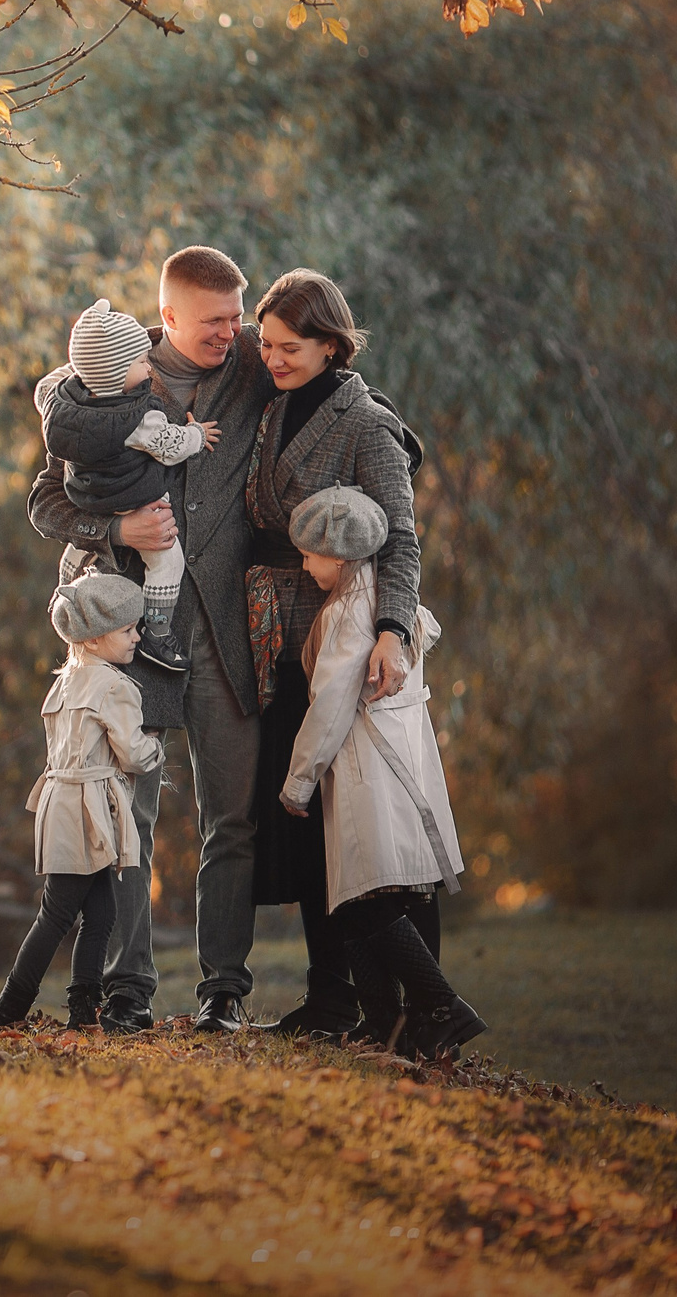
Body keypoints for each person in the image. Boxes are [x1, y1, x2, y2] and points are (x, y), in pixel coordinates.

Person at [29, 247, 276, 1034]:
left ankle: (224, 992)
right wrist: (116, 525)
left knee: (229, 815)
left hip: (225, 630)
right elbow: (44, 501)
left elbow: (331, 382)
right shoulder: (102, 381)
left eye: (237, 317)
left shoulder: (251, 362)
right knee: (126, 815)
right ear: (166, 316)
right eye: (214, 322)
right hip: (130, 636)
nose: (231, 334)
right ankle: (126, 989)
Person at [239, 269, 424, 1038]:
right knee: (303, 820)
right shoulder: (275, 406)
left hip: (345, 645)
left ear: (330, 345)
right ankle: (330, 994)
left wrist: (394, 630)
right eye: (265, 343)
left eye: (288, 347)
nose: (271, 357)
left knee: (357, 824)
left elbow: (404, 537)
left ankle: (403, 1005)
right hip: (281, 640)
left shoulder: (363, 422)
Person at [276, 486, 485, 1059]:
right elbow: (428, 629)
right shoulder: (393, 609)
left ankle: (440, 1006)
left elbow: (330, 707)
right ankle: (386, 1022)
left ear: (339, 557)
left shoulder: (347, 616)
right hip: (402, 761)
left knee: (366, 897)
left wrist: (298, 780)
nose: (304, 564)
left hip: (368, 765)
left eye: (310, 555)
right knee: (360, 894)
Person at [0, 572, 166, 1031]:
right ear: (99, 636)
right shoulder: (115, 686)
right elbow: (133, 754)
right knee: (58, 912)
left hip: (61, 804)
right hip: (89, 809)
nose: (136, 637)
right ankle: (8, 1009)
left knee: (101, 911)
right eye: (128, 630)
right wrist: (157, 743)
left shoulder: (65, 681)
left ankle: (84, 1006)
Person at [37, 298, 223, 674]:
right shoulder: (138, 418)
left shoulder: (62, 405)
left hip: (91, 498)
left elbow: (44, 389)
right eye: (141, 362)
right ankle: (157, 631)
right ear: (118, 372)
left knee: (78, 548)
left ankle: (65, 588)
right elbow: (171, 448)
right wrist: (197, 434)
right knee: (166, 561)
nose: (148, 365)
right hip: (135, 497)